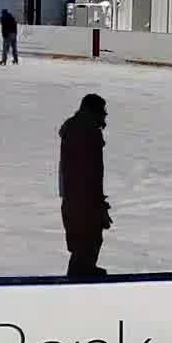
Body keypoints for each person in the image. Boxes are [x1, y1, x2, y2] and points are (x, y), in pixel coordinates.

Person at [58, 93, 111, 277]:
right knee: (86, 243)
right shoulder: (86, 133)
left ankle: (83, 274)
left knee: (89, 242)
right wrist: (95, 204)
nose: (105, 115)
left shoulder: (80, 130)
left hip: (78, 199)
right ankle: (78, 281)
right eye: (102, 111)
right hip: (82, 202)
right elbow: (86, 174)